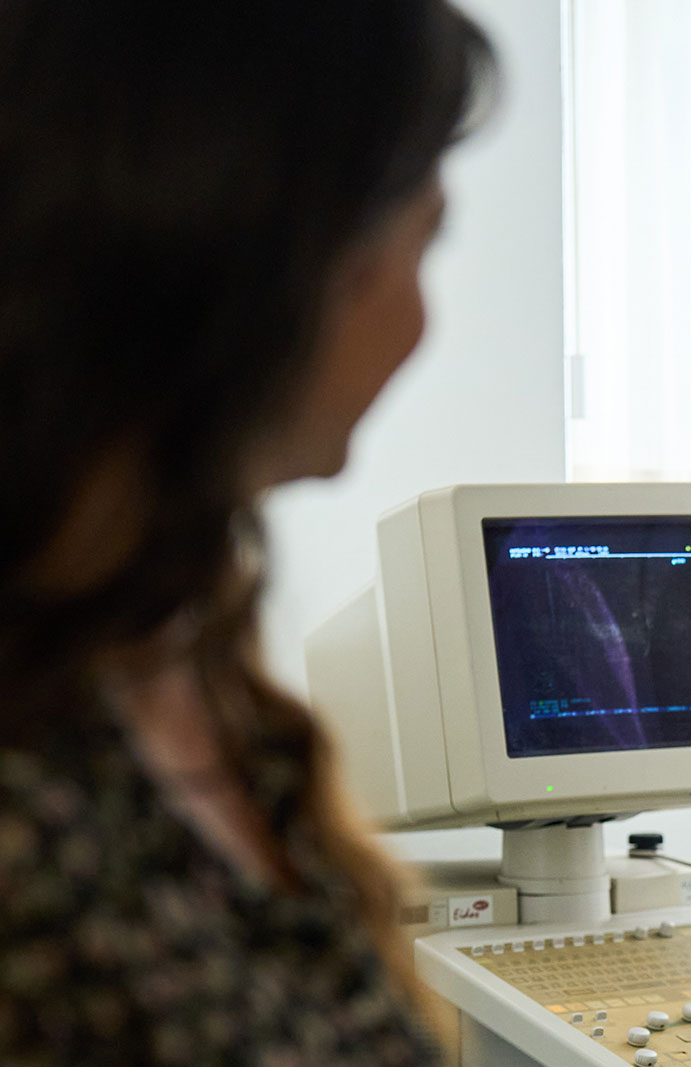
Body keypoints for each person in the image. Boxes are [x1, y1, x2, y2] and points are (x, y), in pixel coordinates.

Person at [0, 2, 495, 1062]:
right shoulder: (40, 795)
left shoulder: (194, 676)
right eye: (418, 241)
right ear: (264, 259)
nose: (419, 322)